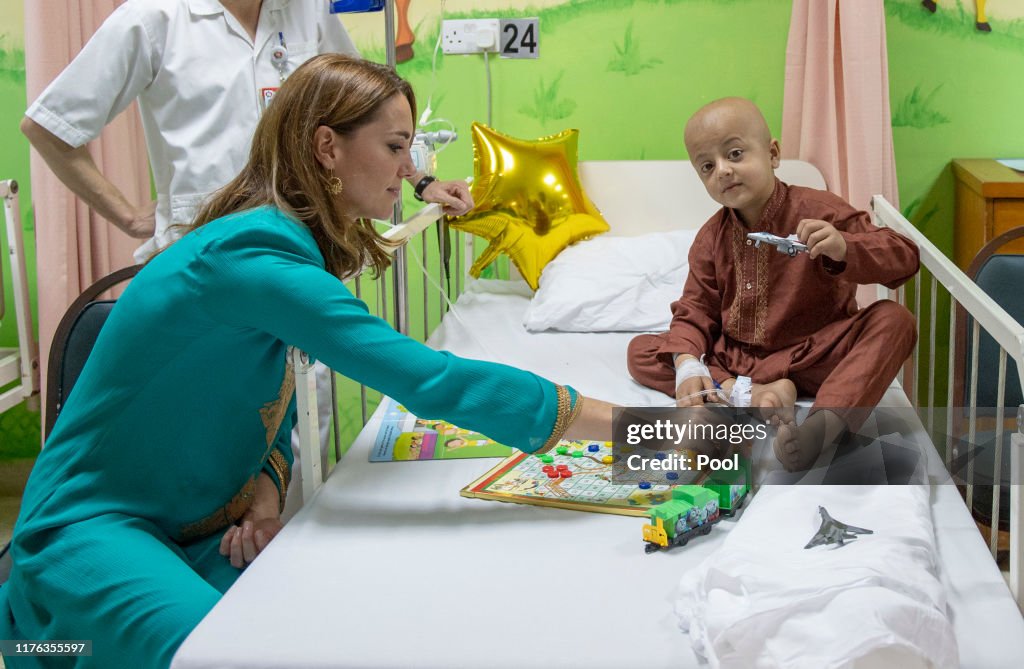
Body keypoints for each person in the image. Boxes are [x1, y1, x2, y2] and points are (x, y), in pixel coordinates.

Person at [0, 55, 613, 669]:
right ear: (328, 147)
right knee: (222, 655)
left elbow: (273, 391)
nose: (410, 170)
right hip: (89, 528)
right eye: (397, 146)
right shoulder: (255, 256)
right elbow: (431, 381)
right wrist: (654, 434)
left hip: (191, 524)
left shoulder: (283, 243)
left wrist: (266, 494)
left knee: (351, 614)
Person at [20, 0, 474, 510]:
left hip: (296, 260)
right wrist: (126, 214)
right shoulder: (154, 19)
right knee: (212, 459)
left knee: (300, 445)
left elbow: (368, 114)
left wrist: (421, 180)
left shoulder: (307, 14)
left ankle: (288, 564)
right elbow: (50, 124)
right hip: (209, 285)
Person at [626, 97, 919, 472]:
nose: (723, 171)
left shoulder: (821, 209)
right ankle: (753, 394)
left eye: (734, 154)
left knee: (894, 320)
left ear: (773, 154)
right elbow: (696, 309)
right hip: (737, 363)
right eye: (707, 166)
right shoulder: (710, 238)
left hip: (817, 357)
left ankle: (823, 427)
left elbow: (904, 257)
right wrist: (686, 363)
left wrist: (845, 246)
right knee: (644, 351)